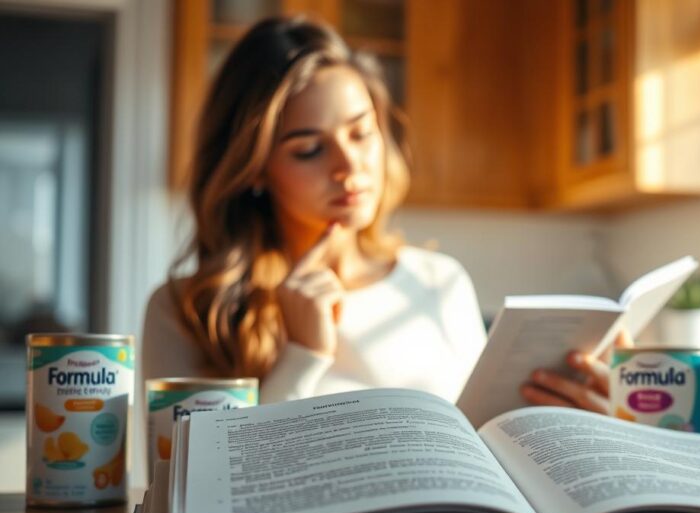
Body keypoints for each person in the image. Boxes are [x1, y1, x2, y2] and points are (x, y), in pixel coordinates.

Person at [142, 15, 614, 412]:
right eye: (309, 150)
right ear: (255, 171)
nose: (349, 167)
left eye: (361, 133)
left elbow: (484, 445)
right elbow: (194, 491)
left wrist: (572, 414)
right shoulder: (186, 311)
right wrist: (303, 355)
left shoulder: (439, 282)